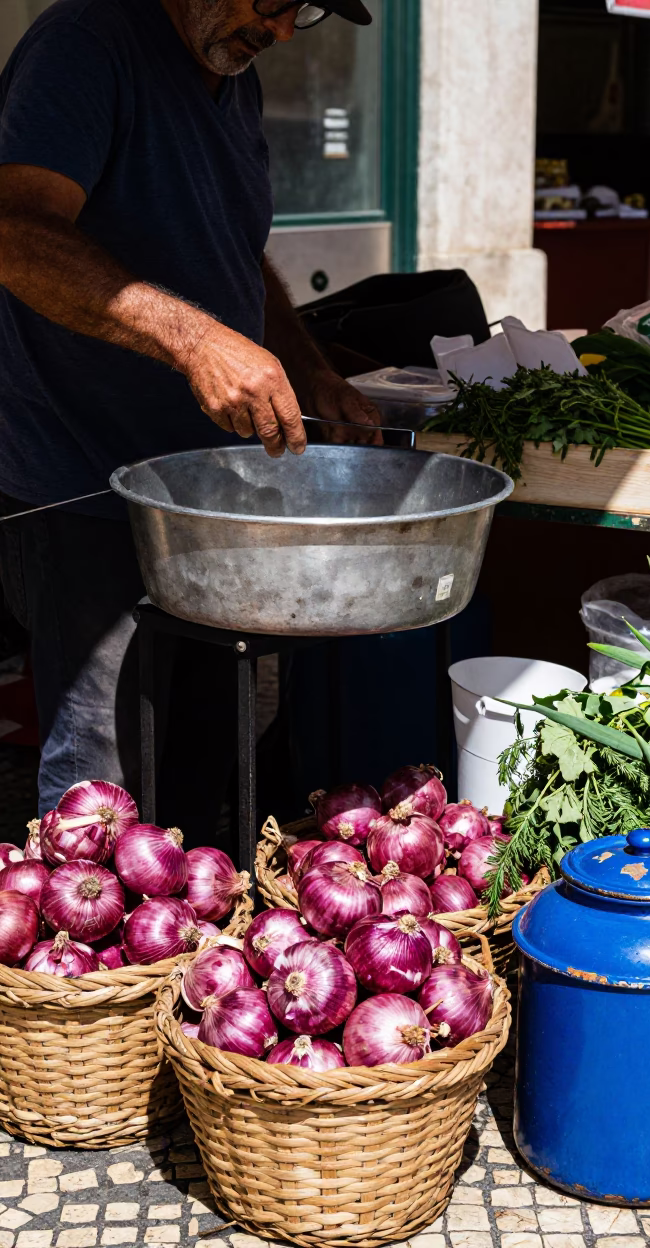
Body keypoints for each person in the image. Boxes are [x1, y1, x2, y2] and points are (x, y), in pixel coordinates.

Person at [0, 0, 381, 836]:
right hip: (86, 483)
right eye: (275, 0)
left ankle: (190, 960)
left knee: (212, 763)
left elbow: (232, 254)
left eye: (305, 12)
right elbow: (15, 231)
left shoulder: (234, 78)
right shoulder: (86, 44)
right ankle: (82, 968)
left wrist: (313, 372)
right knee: (99, 782)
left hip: (210, 493)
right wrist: (196, 340)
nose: (282, 32)